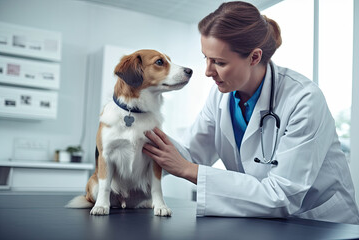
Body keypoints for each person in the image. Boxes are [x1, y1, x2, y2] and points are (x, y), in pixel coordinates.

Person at [142, 1, 359, 224]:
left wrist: (190, 170)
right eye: (205, 58)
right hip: (267, 222)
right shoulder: (221, 95)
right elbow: (190, 154)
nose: (207, 72)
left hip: (322, 224)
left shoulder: (304, 99)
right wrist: (138, 135)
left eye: (219, 62)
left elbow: (282, 195)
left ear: (254, 57)